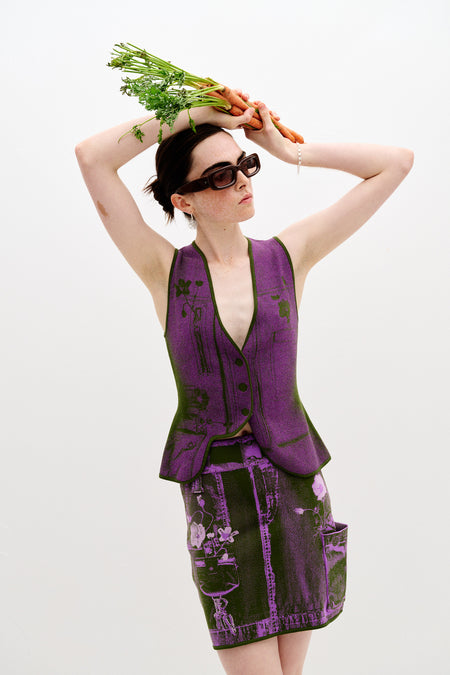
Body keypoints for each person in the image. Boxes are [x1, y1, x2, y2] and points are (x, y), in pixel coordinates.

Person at [75, 98, 413, 674]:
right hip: (217, 495)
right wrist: (191, 110)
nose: (242, 182)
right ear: (183, 199)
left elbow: (396, 163)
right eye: (220, 176)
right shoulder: (164, 271)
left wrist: (289, 150)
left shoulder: (289, 255)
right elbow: (92, 158)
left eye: (245, 166)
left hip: (296, 486)